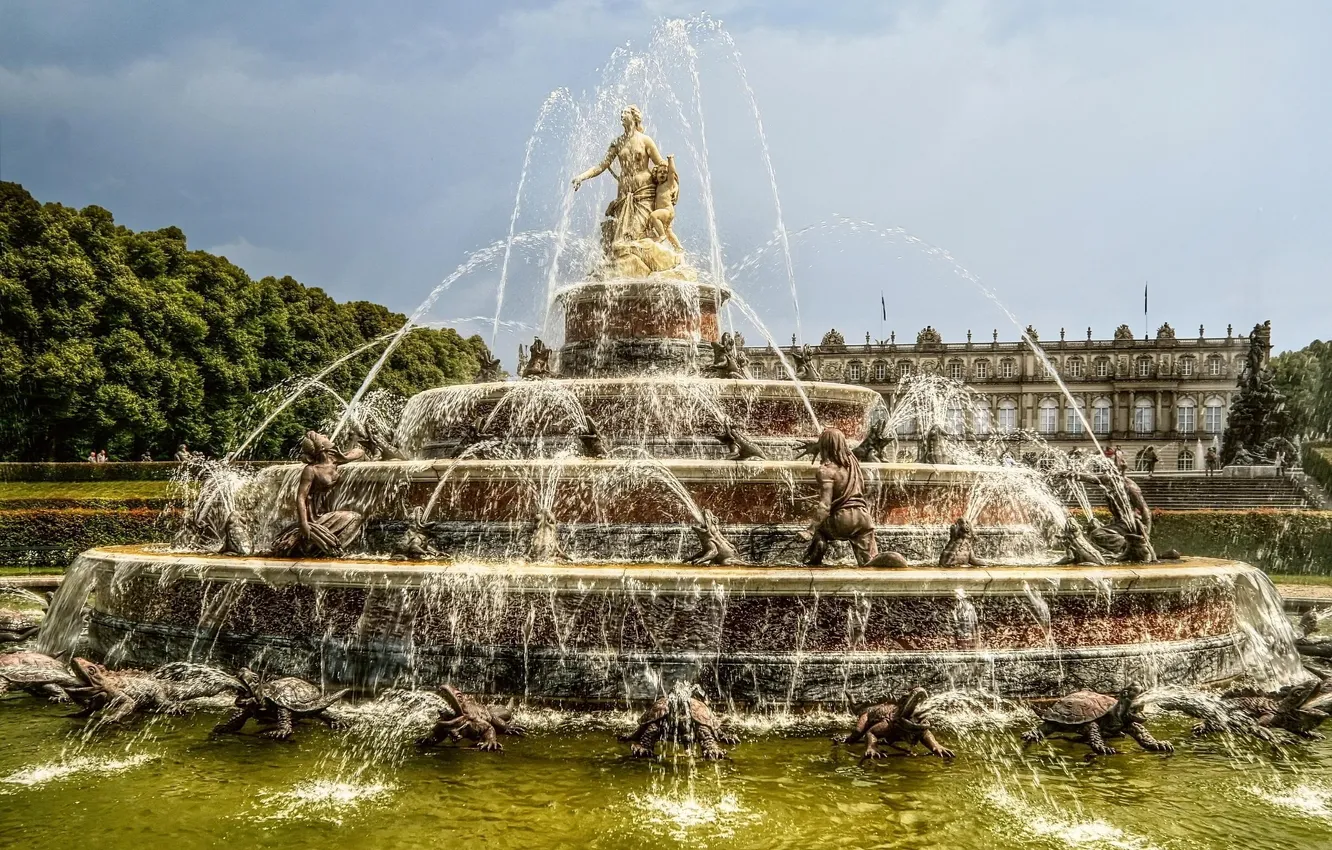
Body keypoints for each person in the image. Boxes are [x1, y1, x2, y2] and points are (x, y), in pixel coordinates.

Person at [799, 427, 878, 566]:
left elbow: (825, 506)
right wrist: (818, 446)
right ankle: (879, 562)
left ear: (823, 446)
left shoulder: (825, 471)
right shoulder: (852, 460)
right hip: (863, 518)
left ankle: (814, 561)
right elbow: (840, 446)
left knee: (819, 529)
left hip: (842, 520)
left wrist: (810, 531)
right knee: (868, 562)